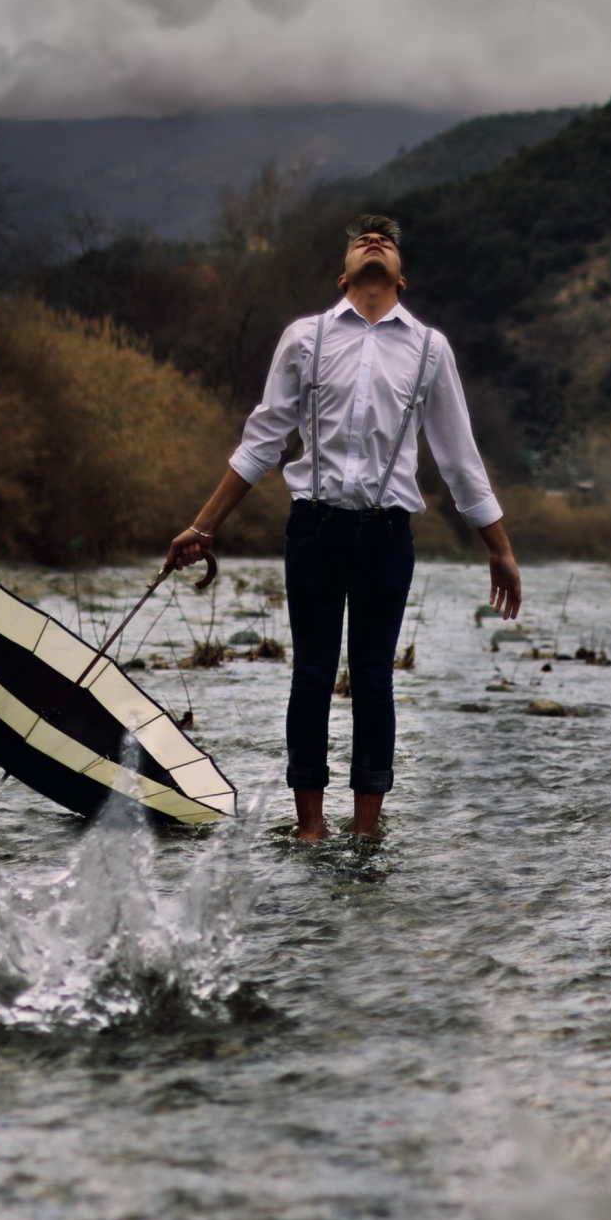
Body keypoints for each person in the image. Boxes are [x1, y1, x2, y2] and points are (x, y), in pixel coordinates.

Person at [164, 215, 523, 840]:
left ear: (402, 277)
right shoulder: (305, 339)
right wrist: (203, 526)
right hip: (315, 529)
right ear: (344, 273)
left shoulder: (430, 350)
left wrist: (501, 550)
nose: (375, 244)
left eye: (386, 241)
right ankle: (310, 826)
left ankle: (366, 828)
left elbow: (459, 458)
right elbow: (262, 441)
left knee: (375, 677)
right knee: (310, 673)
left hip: (388, 536)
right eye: (362, 241)